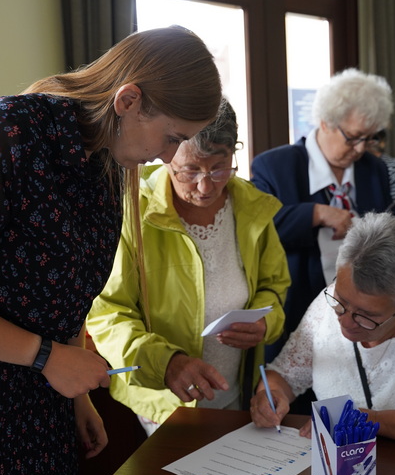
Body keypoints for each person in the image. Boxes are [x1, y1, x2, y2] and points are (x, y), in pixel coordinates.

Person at [0, 25, 221, 475]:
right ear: (128, 100)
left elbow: (59, 300)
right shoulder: (8, 135)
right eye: (173, 137)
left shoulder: (106, 164)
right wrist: (46, 357)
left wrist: (75, 390)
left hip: (38, 419)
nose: (170, 156)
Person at [87, 99, 290, 435]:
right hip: (165, 400)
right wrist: (167, 363)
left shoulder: (251, 206)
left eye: (220, 168)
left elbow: (275, 286)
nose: (205, 186)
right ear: (166, 156)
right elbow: (109, 314)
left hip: (237, 392)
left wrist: (265, 322)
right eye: (190, 170)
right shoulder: (132, 212)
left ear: (234, 152)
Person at [251, 68, 394, 362]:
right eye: (353, 137)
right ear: (326, 122)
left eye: (368, 139)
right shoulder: (275, 166)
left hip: (363, 316)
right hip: (298, 311)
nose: (360, 149)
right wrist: (315, 213)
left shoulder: (373, 169)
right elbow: (258, 229)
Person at [250, 212, 395, 442]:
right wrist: (270, 395)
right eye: (340, 302)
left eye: (366, 316)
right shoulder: (325, 305)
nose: (345, 322)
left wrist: (367, 419)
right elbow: (285, 375)